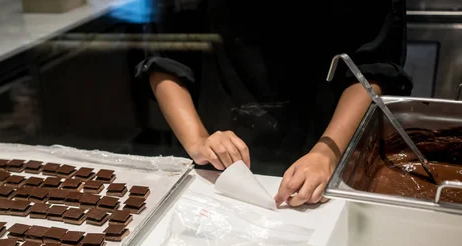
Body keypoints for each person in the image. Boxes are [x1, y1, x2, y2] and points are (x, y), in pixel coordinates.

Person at [134, 0, 413, 207]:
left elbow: (371, 67)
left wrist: (327, 153)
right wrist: (197, 140)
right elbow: (167, 58)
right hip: (216, 158)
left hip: (329, 140)